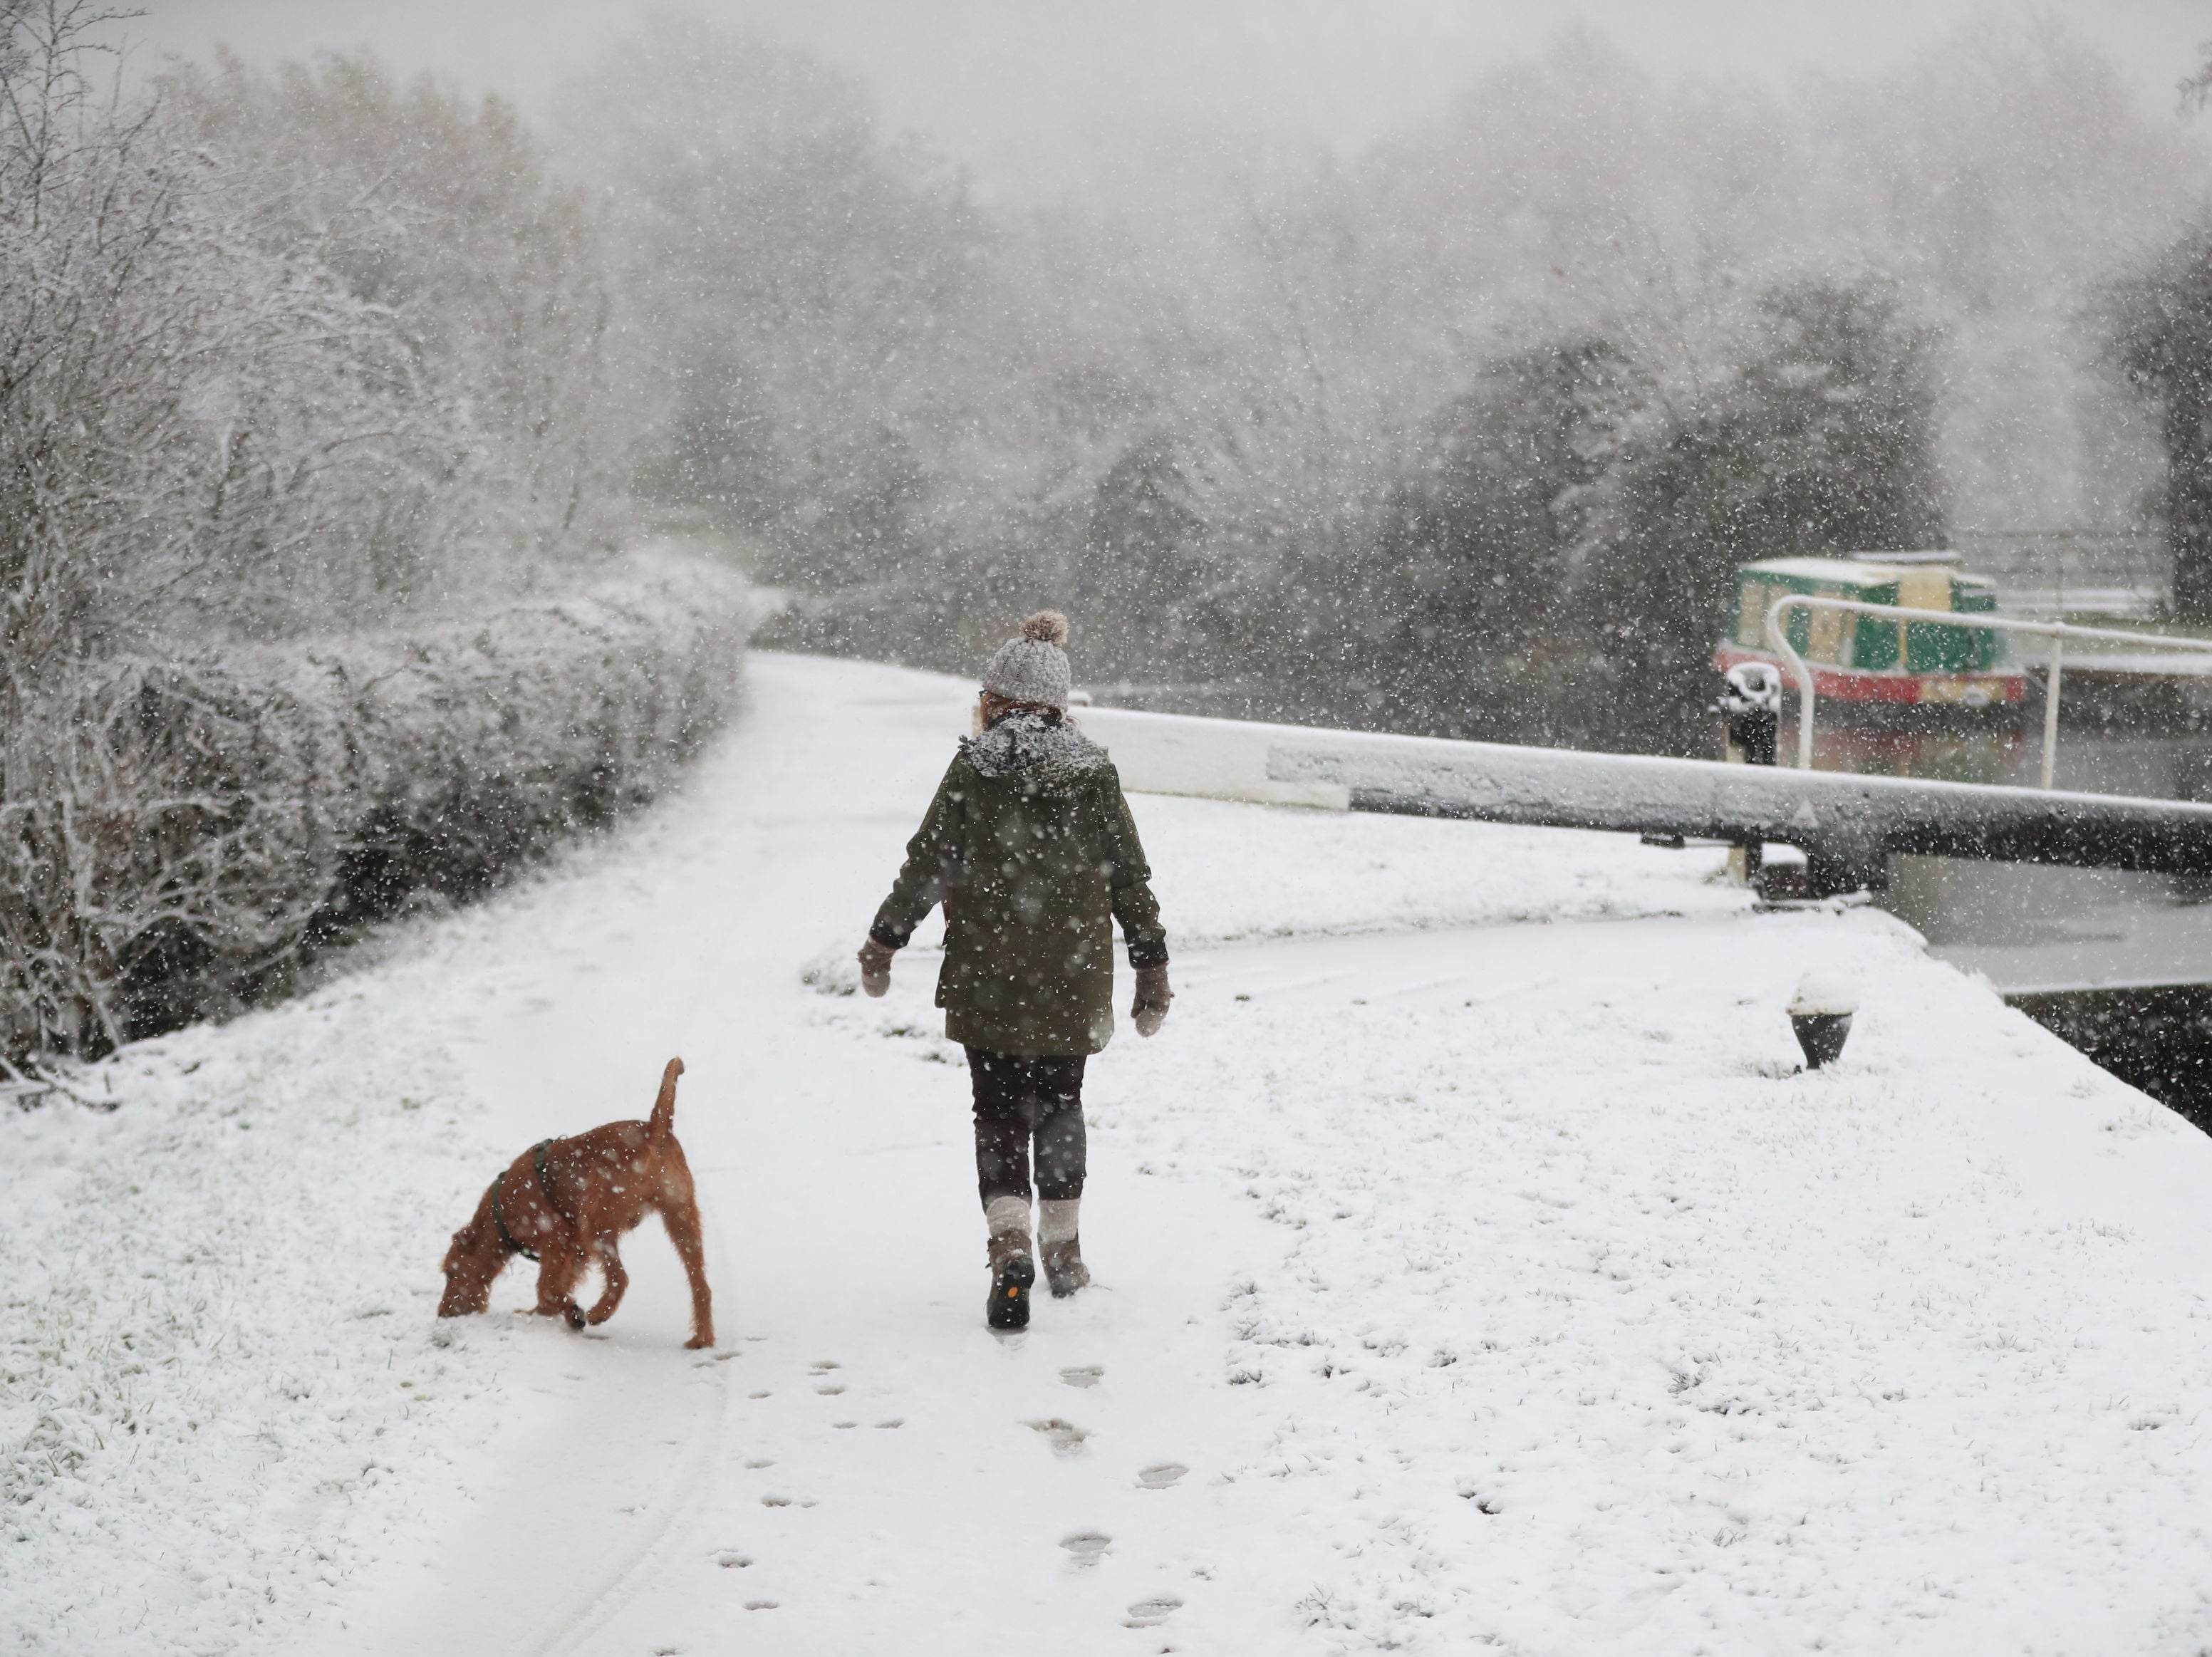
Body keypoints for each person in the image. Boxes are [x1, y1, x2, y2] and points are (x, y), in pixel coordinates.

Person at [858, 611, 1170, 1331]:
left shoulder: (974, 768)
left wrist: (885, 938)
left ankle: (1009, 1249)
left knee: (998, 1110)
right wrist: (1150, 965)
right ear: (1061, 704)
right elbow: (1130, 876)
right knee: (1060, 1102)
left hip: (987, 973)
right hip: (1073, 970)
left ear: (995, 700)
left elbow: (928, 863)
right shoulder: (1093, 772)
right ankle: (1063, 1250)